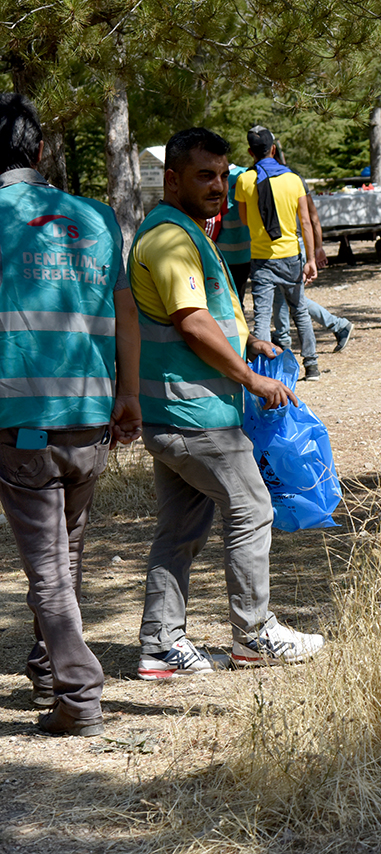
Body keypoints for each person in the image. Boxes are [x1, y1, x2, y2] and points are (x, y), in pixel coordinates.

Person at [130, 127, 324, 679]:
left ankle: (161, 646)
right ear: (172, 179)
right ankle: (254, 634)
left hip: (178, 412)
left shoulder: (186, 231)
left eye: (222, 174)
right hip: (196, 415)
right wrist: (249, 377)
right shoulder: (168, 237)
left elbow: (203, 313)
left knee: (180, 531)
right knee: (251, 506)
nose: (218, 185)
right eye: (204, 175)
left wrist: (249, 341)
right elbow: (190, 323)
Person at [0, 92, 142, 737]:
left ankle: (78, 695)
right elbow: (127, 313)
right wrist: (129, 395)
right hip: (91, 414)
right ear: (37, 150)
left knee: (49, 569)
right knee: (69, 553)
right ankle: (44, 663)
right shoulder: (97, 217)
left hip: (21, 422)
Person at [235, 125, 321, 380]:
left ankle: (265, 368)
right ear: (273, 149)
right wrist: (312, 259)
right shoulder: (293, 179)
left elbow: (244, 219)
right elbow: (305, 222)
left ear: (251, 152)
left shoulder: (244, 180)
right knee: (300, 311)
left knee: (261, 315)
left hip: (262, 258)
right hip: (291, 256)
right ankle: (312, 365)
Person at [268, 144, 355, 354]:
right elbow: (313, 217)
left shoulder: (291, 179)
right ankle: (284, 339)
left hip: (291, 245)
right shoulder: (287, 177)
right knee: (286, 296)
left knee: (290, 296)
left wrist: (317, 249)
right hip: (283, 245)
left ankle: (334, 326)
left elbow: (311, 217)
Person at [215, 163, 252, 308]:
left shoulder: (213, 178)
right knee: (239, 296)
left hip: (222, 251)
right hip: (246, 250)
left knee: (227, 298)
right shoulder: (247, 174)